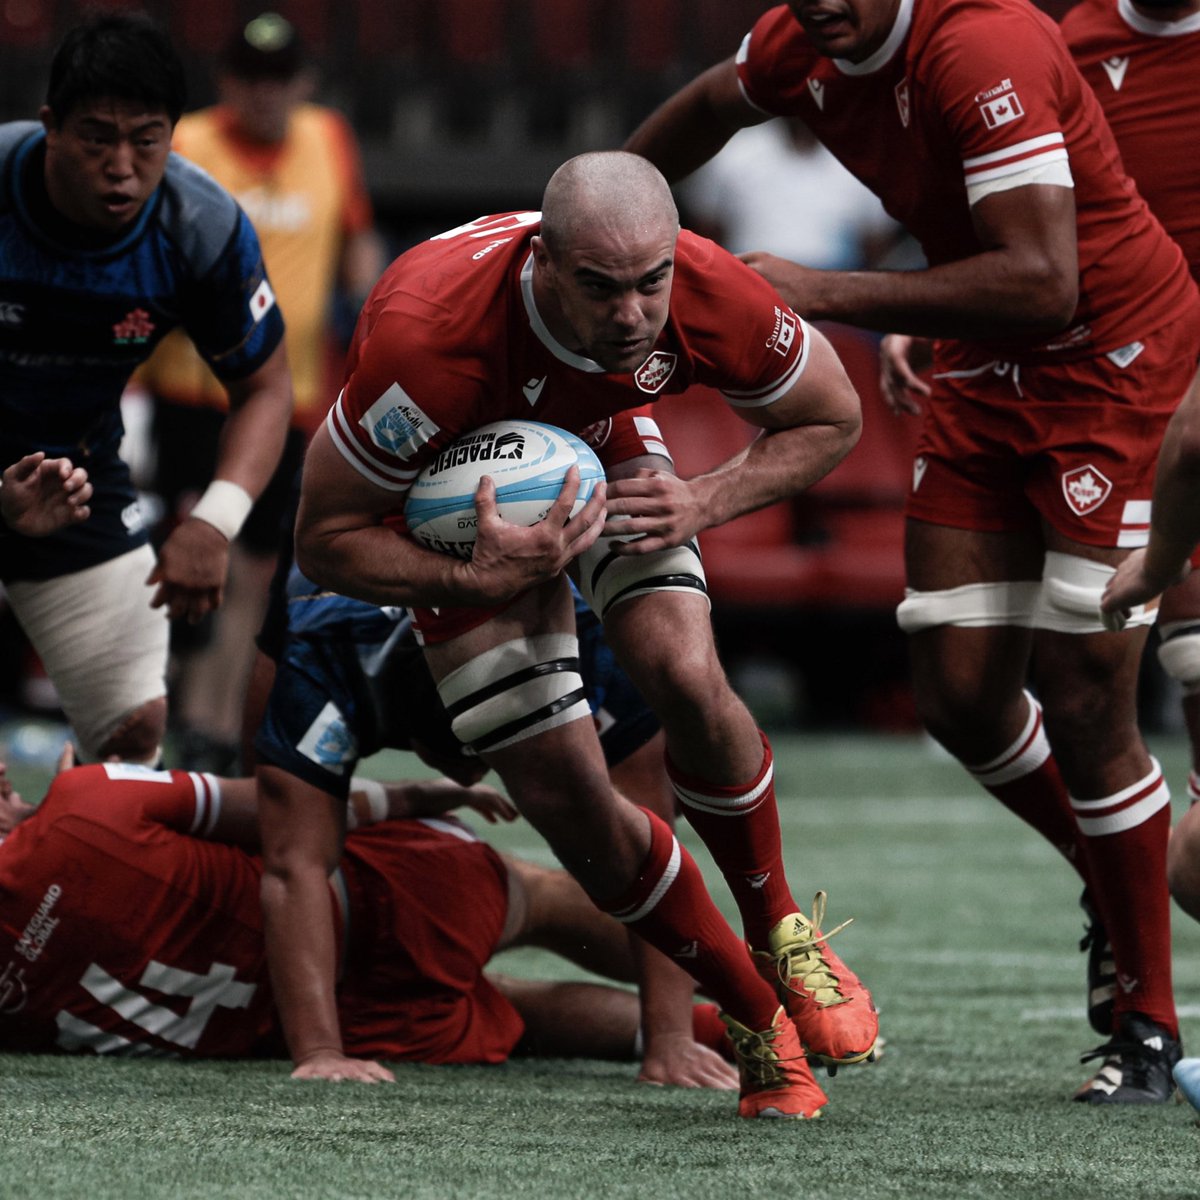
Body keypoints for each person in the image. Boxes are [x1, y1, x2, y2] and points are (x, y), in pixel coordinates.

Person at [623, 0, 1200, 1103]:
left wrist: (824, 291)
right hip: (988, 370)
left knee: (1085, 697)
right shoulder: (811, 31)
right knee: (958, 694)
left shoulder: (981, 41)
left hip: (1115, 366)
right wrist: (599, 221)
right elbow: (705, 106)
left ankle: (1149, 1027)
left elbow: (1045, 281)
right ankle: (1108, 871)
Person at [284, 150, 872, 1120]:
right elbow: (326, 540)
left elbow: (831, 417)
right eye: (603, 289)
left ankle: (778, 931)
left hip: (603, 442)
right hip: (457, 503)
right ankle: (756, 1019)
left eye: (653, 282)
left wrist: (702, 497)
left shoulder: (706, 286)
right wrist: (473, 576)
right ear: (543, 263)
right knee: (571, 803)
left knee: (682, 670)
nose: (636, 314)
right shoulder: (426, 341)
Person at [245, 495, 734, 1089]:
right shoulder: (322, 651)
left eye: (488, 754)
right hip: (340, 571)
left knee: (615, 836)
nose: (475, 778)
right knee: (270, 804)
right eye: (470, 754)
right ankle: (741, 993)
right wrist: (319, 1050)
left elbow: (650, 846)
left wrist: (671, 1041)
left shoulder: (594, 639)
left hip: (528, 601)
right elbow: (294, 865)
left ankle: (756, 987)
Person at [0, 751, 734, 1071]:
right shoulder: (83, 807)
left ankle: (718, 1034)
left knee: (517, 1015)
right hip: (381, 903)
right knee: (547, 902)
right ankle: (749, 991)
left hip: (347, 1029)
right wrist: (410, 798)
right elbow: (287, 814)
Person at [0, 13, 293, 767]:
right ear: (50, 128)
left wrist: (213, 524)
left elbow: (264, 389)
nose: (123, 167)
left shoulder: (200, 229)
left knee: (132, 735)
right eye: (97, 138)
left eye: (147, 139)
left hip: (74, 480)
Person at [136, 12, 385, 770]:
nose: (267, 92)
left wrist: (375, 298)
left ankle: (214, 726)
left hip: (288, 397)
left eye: (281, 78)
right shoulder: (189, 145)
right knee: (180, 560)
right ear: (227, 82)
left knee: (252, 566)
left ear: (302, 82)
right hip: (190, 394)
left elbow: (357, 238)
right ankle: (161, 715)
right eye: (251, 77)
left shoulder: (327, 140)